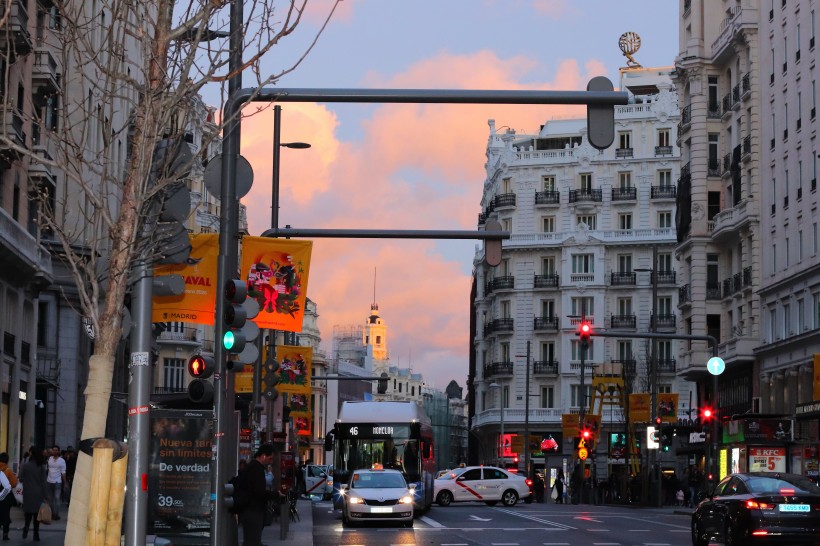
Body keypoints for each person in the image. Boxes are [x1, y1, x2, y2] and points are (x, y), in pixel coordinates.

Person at [238, 444, 275, 546]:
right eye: (270, 458)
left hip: (249, 510)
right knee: (253, 540)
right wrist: (275, 494)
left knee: (251, 540)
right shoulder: (257, 469)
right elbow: (259, 492)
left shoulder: (251, 467)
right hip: (254, 510)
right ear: (263, 456)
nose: (271, 462)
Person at [18, 447, 47, 541]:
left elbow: (21, 478)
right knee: (36, 515)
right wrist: (46, 496)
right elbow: (44, 482)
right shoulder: (42, 467)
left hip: (28, 492)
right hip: (38, 493)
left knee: (28, 513)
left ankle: (26, 526)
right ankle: (36, 534)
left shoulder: (26, 466)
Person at [0, 453, 18, 540]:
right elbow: (14, 484)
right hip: (6, 497)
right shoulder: (8, 470)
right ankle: (5, 534)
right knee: (6, 514)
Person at [46, 445, 66, 520]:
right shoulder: (49, 459)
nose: (54, 451)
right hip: (49, 481)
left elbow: (63, 472)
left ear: (58, 451)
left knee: (57, 498)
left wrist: (65, 483)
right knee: (50, 499)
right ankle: (51, 514)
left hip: (58, 482)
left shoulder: (62, 461)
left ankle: (56, 514)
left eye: (56, 450)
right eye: (53, 450)